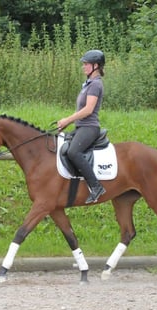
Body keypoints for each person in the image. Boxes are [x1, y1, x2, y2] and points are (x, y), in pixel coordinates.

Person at [57, 49, 106, 204]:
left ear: (96, 66)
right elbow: (80, 110)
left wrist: (68, 120)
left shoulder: (95, 85)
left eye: (86, 64)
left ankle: (96, 186)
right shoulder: (88, 84)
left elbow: (88, 109)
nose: (83, 67)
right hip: (81, 127)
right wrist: (67, 122)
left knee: (73, 151)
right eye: (83, 64)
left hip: (89, 127)